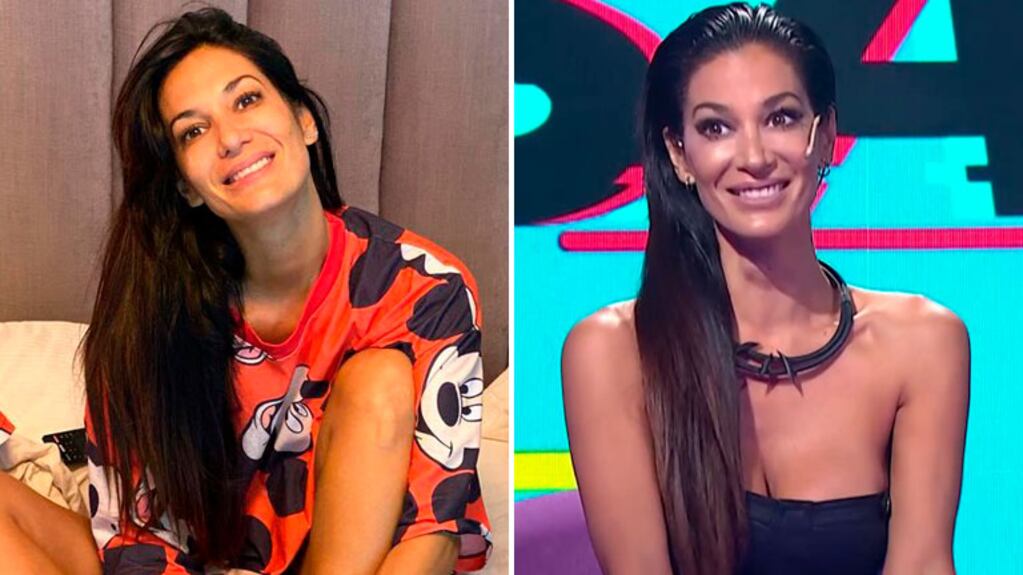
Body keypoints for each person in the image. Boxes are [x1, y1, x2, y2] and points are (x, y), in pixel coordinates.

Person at [0, 8, 489, 574]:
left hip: (355, 557)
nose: (230, 137)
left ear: (304, 120)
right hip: (200, 557)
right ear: (185, 185)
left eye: (247, 100)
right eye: (194, 130)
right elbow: (137, 539)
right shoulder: (148, 317)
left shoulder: (422, 288)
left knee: (378, 379)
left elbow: (432, 534)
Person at [561, 3, 968, 574]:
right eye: (716, 127)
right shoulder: (614, 352)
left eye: (780, 118)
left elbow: (922, 563)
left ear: (825, 135)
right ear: (679, 153)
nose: (754, 157)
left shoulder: (922, 343)